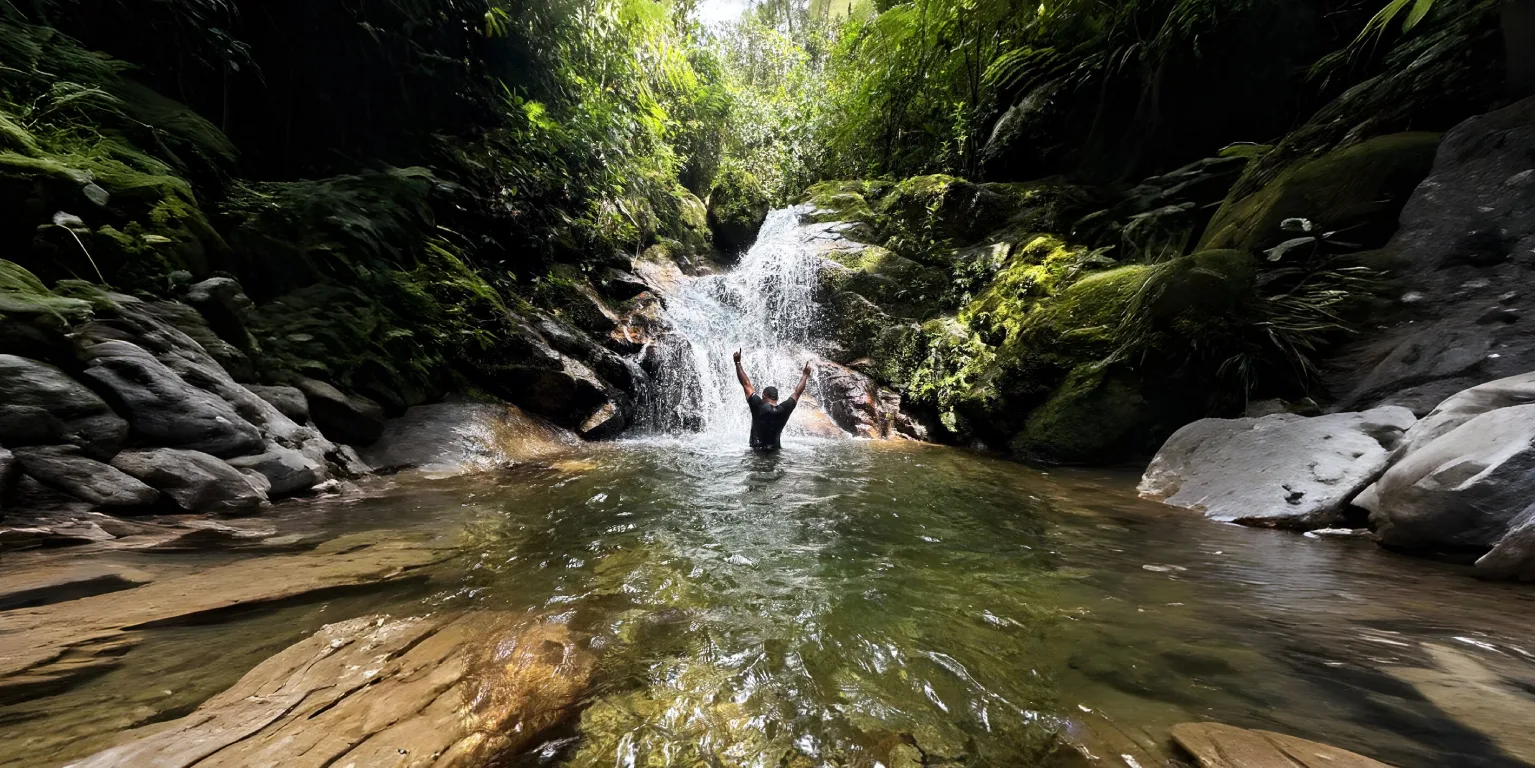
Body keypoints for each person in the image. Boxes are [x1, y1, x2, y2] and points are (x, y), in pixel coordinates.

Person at [733, 349, 811, 451]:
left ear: (764, 396)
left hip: (756, 452)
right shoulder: (785, 409)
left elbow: (746, 384)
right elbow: (797, 393)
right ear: (777, 398)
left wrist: (737, 363)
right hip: (775, 453)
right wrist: (805, 375)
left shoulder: (758, 405)